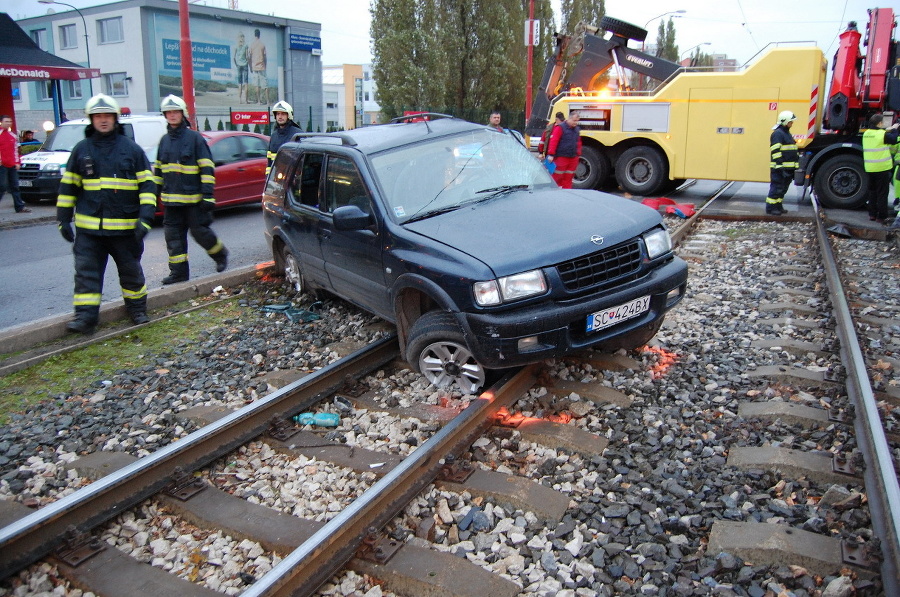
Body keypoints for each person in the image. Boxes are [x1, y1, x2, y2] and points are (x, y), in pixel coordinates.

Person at [56, 94, 155, 334]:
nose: (103, 120)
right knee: (86, 276)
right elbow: (68, 186)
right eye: (98, 116)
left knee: (131, 273)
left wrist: (145, 219)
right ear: (91, 119)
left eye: (107, 116)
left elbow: (148, 187)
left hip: (125, 229)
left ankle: (137, 311)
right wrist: (63, 219)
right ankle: (85, 319)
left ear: (115, 119)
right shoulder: (81, 150)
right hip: (89, 231)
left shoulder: (131, 150)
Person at [155, 94, 228, 284]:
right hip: (171, 202)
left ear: (183, 114)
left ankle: (220, 254)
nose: (172, 115)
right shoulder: (164, 141)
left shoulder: (195, 139)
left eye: (175, 112)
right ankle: (178, 274)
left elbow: (206, 167)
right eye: (168, 112)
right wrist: (155, 194)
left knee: (200, 233)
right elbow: (158, 171)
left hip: (194, 200)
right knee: (173, 239)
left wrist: (207, 195)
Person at [861, 113, 900, 224]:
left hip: (870, 167)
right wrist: (894, 129)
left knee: (872, 192)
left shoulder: (867, 133)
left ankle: (872, 214)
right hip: (881, 168)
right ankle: (882, 216)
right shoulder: (882, 134)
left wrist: (886, 130)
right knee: (882, 192)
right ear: (879, 123)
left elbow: (879, 136)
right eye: (882, 122)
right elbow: (894, 139)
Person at [766, 110, 799, 215]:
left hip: (787, 168)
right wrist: (779, 166)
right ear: (785, 121)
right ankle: (771, 208)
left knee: (782, 189)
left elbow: (792, 150)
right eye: (790, 122)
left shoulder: (786, 133)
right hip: (779, 168)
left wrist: (795, 167)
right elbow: (776, 151)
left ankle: (778, 206)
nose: (792, 124)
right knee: (776, 188)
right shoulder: (778, 134)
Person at [0, 115, 30, 214]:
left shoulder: (12, 135)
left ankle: (19, 207)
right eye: (6, 121)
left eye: (10, 121)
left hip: (12, 165)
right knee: (2, 187)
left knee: (15, 186)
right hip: (1, 165)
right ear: (1, 122)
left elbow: (16, 151)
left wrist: (17, 162)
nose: (9, 123)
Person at [546, 111, 581, 189]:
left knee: (569, 177)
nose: (576, 123)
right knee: (557, 177)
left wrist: (578, 154)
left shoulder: (576, 129)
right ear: (569, 118)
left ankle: (566, 193)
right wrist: (551, 154)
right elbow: (554, 141)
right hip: (562, 157)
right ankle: (555, 192)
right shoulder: (560, 128)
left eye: (577, 121)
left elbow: (578, 142)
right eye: (574, 120)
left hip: (572, 157)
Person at [267, 101, 302, 175]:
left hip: (293, 177)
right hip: (277, 177)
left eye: (283, 114)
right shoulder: (274, 136)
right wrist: (268, 176)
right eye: (278, 114)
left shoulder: (297, 134)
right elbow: (269, 161)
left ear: (288, 116)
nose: (280, 117)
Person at [249, 29, 267, 105]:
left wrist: (250, 67)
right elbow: (265, 57)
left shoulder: (252, 45)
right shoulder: (262, 45)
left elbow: (249, 57)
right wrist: (265, 65)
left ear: (254, 35)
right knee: (265, 85)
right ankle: (268, 101)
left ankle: (259, 101)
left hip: (255, 67)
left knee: (257, 85)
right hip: (262, 67)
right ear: (259, 35)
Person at [233, 33, 249, 104]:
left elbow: (234, 58)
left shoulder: (236, 46)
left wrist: (236, 64)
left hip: (239, 65)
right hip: (245, 64)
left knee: (240, 83)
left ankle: (240, 100)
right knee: (246, 83)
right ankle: (246, 100)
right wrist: (248, 62)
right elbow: (247, 56)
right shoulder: (245, 46)